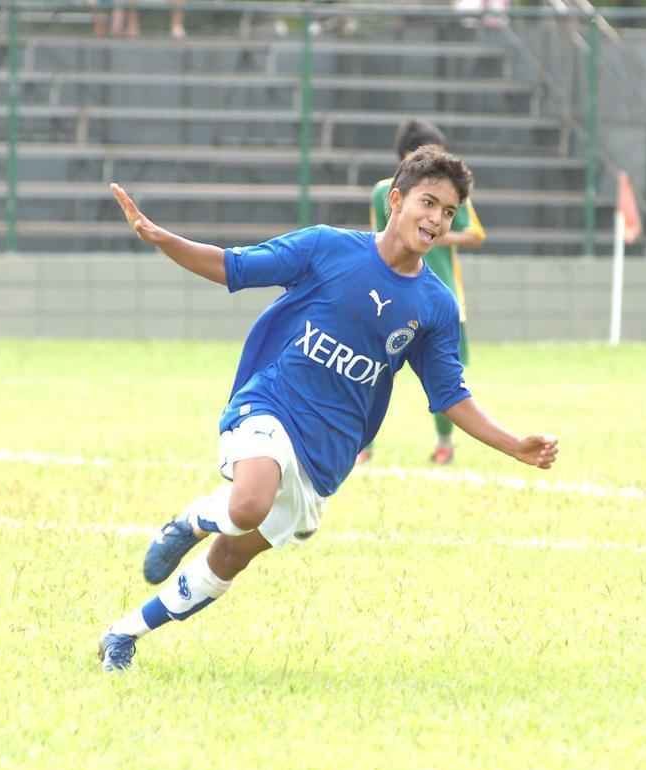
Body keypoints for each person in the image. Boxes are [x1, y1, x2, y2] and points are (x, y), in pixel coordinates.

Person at [98, 146, 558, 671]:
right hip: (270, 403)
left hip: (327, 455)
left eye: (448, 211)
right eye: (428, 203)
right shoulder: (326, 248)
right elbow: (235, 267)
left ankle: (122, 634)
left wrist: (511, 443)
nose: (436, 219)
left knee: (230, 557)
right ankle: (185, 524)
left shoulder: (434, 306)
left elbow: (449, 393)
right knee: (247, 502)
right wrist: (162, 239)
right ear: (396, 200)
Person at [360, 119, 486, 466]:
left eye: (445, 212)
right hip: (389, 297)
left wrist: (438, 234)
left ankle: (445, 442)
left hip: (442, 295)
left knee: (447, 376)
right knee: (369, 370)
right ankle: (361, 443)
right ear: (405, 157)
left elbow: (475, 233)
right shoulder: (382, 192)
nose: (436, 215)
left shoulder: (450, 195)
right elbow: (379, 237)